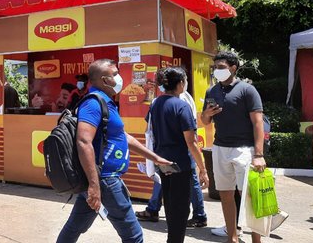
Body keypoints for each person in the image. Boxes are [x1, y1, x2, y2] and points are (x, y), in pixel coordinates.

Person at [57, 59, 172, 243]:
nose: (119, 78)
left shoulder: (106, 103)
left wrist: (155, 157)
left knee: (74, 227)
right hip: (105, 180)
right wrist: (94, 186)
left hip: (100, 180)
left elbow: (123, 137)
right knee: (134, 236)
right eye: (115, 74)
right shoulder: (93, 104)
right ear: (105, 80)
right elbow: (83, 141)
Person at [201, 51, 265, 243]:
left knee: (250, 197)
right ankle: (233, 238)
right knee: (225, 195)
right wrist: (207, 113)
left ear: (233, 68)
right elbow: (205, 121)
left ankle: (256, 240)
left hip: (245, 150)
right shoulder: (211, 91)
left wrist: (259, 154)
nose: (217, 71)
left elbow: (258, 123)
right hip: (220, 148)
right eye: (215, 68)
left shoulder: (247, 90)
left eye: (221, 68)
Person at [144, 67, 209, 243]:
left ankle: (172, 239)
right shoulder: (182, 106)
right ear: (180, 84)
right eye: (185, 80)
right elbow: (191, 142)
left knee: (171, 204)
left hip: (162, 161)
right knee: (180, 208)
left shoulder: (156, 103)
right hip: (181, 163)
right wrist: (202, 169)